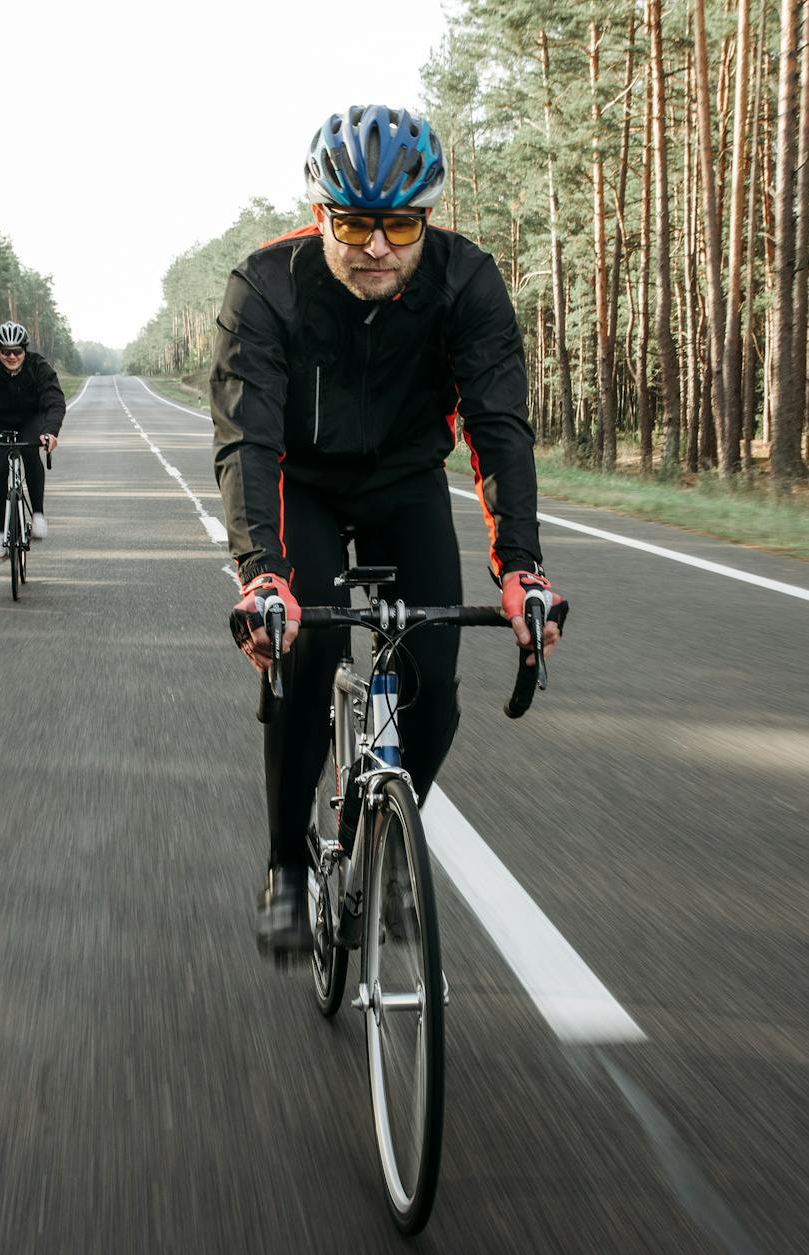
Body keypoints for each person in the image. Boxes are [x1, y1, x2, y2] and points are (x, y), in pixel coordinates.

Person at [212, 104, 563, 957]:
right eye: (356, 223)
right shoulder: (265, 287)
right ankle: (286, 868)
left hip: (406, 482)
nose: (377, 246)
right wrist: (263, 574)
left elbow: (498, 428)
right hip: (305, 485)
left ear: (428, 217)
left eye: (400, 224)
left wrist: (522, 567)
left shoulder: (466, 281)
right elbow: (246, 439)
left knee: (433, 684)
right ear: (320, 212)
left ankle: (397, 844)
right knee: (307, 654)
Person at [0, 321, 66, 559]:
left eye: (17, 351)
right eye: (5, 351)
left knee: (30, 454)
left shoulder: (38, 366)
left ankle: (37, 515)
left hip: (30, 420)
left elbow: (54, 400)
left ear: (24, 350)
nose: (11, 356)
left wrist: (51, 431)